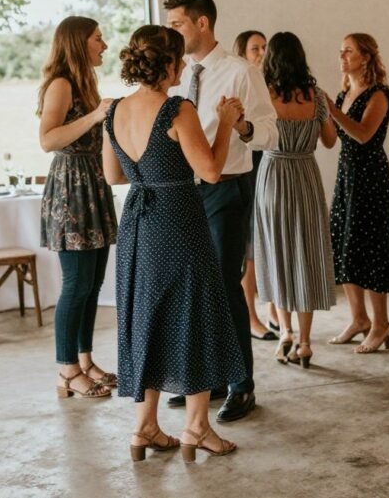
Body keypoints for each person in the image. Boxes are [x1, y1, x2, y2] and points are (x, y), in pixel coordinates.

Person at [102, 25, 246, 463]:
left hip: (137, 226)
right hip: (178, 221)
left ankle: (145, 426)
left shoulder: (114, 111)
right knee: (193, 313)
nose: (184, 65)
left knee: (146, 317)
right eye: (179, 59)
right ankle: (197, 428)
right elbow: (211, 171)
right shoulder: (176, 109)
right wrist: (224, 126)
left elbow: (115, 176)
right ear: (166, 64)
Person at [164, 0, 279, 422]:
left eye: (177, 24)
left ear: (202, 24)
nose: (171, 31)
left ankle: (241, 385)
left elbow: (271, 133)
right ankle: (208, 379)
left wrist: (243, 124)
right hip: (184, 192)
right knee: (194, 286)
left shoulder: (241, 72)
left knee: (225, 284)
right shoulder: (176, 74)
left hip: (227, 187)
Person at [38, 16, 118, 399]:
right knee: (75, 285)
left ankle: (85, 360)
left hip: (93, 186)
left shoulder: (86, 83)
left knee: (93, 284)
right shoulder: (61, 84)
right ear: (78, 43)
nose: (104, 46)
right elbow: (48, 139)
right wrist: (96, 114)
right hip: (71, 191)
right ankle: (66, 370)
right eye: (98, 39)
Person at [253, 32, 337, 368]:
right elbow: (330, 141)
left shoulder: (265, 95)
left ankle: (284, 331)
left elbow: (255, 142)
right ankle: (304, 342)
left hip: (273, 175)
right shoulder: (316, 97)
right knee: (306, 254)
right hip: (305, 176)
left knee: (277, 253)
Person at [328, 33, 389, 353]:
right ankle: (358, 319)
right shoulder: (344, 92)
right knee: (345, 245)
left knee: (370, 250)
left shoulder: (378, 95)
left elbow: (361, 134)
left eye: (349, 52)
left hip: (371, 178)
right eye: (341, 51)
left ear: (366, 57)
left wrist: (331, 109)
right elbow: (332, 138)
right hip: (347, 176)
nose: (342, 56)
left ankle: (381, 323)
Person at [233, 29, 276, 341]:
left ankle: (274, 308)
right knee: (248, 246)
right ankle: (250, 315)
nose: (262, 53)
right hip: (247, 167)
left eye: (264, 47)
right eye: (255, 48)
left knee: (268, 241)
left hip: (272, 165)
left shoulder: (271, 85)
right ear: (243, 54)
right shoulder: (242, 85)